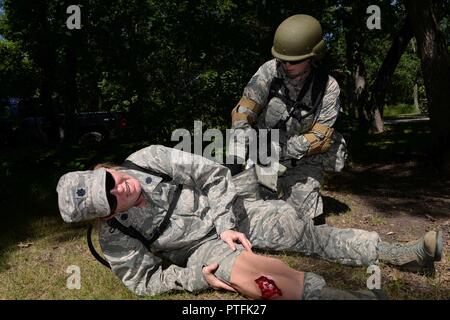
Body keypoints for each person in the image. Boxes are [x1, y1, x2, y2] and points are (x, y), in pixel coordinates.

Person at [57, 145, 443, 300]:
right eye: (107, 200)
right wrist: (193, 278)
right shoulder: (115, 238)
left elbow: (212, 174)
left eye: (108, 181)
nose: (118, 189)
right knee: (264, 279)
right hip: (200, 249)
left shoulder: (147, 159)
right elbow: (142, 282)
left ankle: (404, 254)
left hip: (227, 213)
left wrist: (226, 221)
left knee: (301, 229)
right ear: (104, 215)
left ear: (104, 170)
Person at [230, 14, 347, 221]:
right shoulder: (269, 70)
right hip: (262, 151)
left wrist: (281, 151)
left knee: (297, 220)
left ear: (313, 56)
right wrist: (246, 135)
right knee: (245, 211)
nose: (286, 65)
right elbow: (244, 109)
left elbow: (320, 137)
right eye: (282, 60)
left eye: (294, 61)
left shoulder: (328, 87)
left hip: (302, 160)